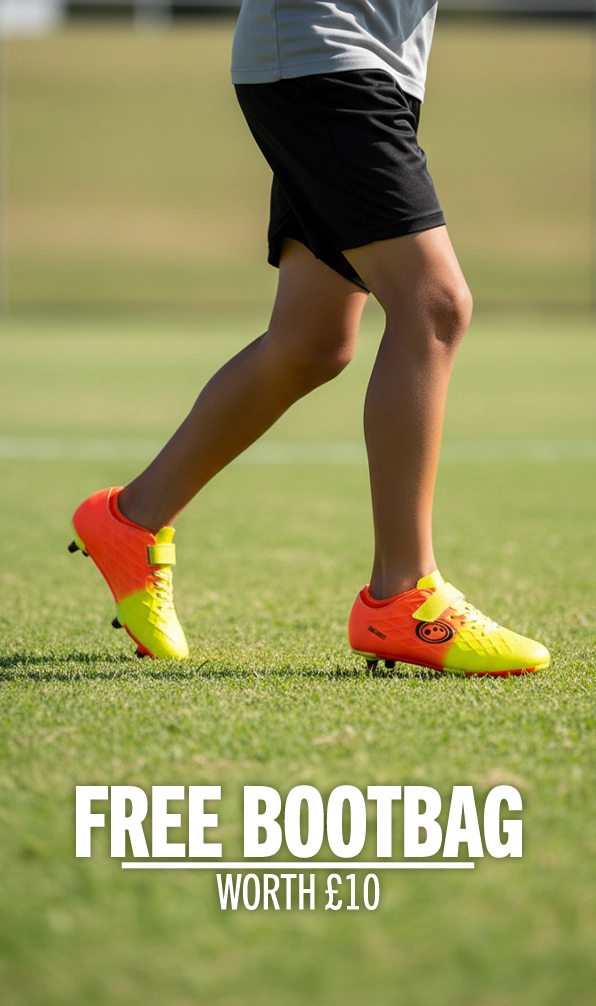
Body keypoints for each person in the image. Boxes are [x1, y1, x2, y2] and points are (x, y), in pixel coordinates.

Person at [69, 0, 549, 675]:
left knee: (312, 341)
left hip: (368, 65)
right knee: (434, 306)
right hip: (325, 54)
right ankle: (404, 596)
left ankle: (131, 520)